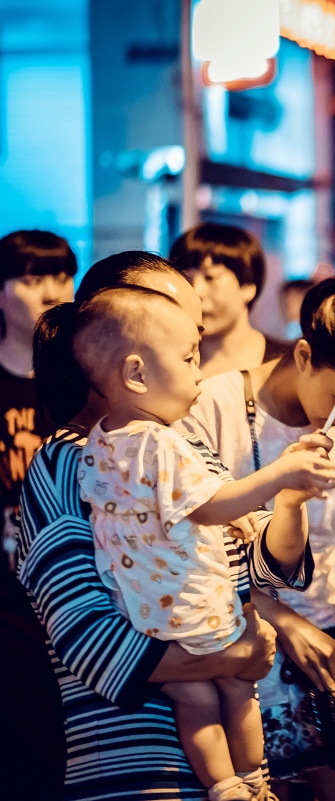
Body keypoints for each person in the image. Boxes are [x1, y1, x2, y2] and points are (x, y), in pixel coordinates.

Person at [18, 252, 310, 801]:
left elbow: (247, 571)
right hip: (135, 765)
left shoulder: (181, 444)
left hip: (223, 757)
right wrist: (231, 656)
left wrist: (290, 503)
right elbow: (85, 638)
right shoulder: (71, 462)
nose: (196, 361)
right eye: (184, 340)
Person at [71, 286, 335, 801]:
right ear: (136, 374)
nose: (200, 371)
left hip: (144, 616)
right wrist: (280, 475)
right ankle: (256, 781)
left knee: (195, 698)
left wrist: (282, 508)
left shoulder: (102, 441)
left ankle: (224, 787)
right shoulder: (161, 441)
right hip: (193, 607)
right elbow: (211, 505)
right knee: (239, 690)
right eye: (189, 358)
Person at [178, 275, 335, 800]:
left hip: (330, 644)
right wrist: (278, 617)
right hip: (240, 649)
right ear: (304, 355)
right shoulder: (213, 406)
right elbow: (187, 543)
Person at [0, 229, 77, 800]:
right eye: (32, 278)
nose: (52, 290)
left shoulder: (80, 382)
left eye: (60, 275)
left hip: (75, 598)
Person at [170, 223, 291, 377]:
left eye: (210, 277)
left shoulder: (286, 364)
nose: (196, 291)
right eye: (187, 279)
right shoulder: (169, 361)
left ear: (248, 286)